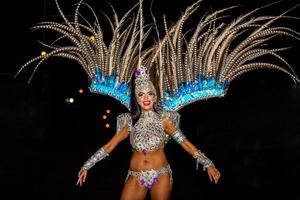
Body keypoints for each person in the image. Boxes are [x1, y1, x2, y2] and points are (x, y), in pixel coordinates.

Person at [76, 66, 221, 200]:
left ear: (155, 96)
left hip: (160, 174)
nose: (146, 98)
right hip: (135, 176)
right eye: (141, 94)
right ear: (137, 99)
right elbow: (110, 146)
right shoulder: (129, 122)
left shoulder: (164, 120)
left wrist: (207, 163)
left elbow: (184, 142)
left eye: (149, 93)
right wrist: (87, 165)